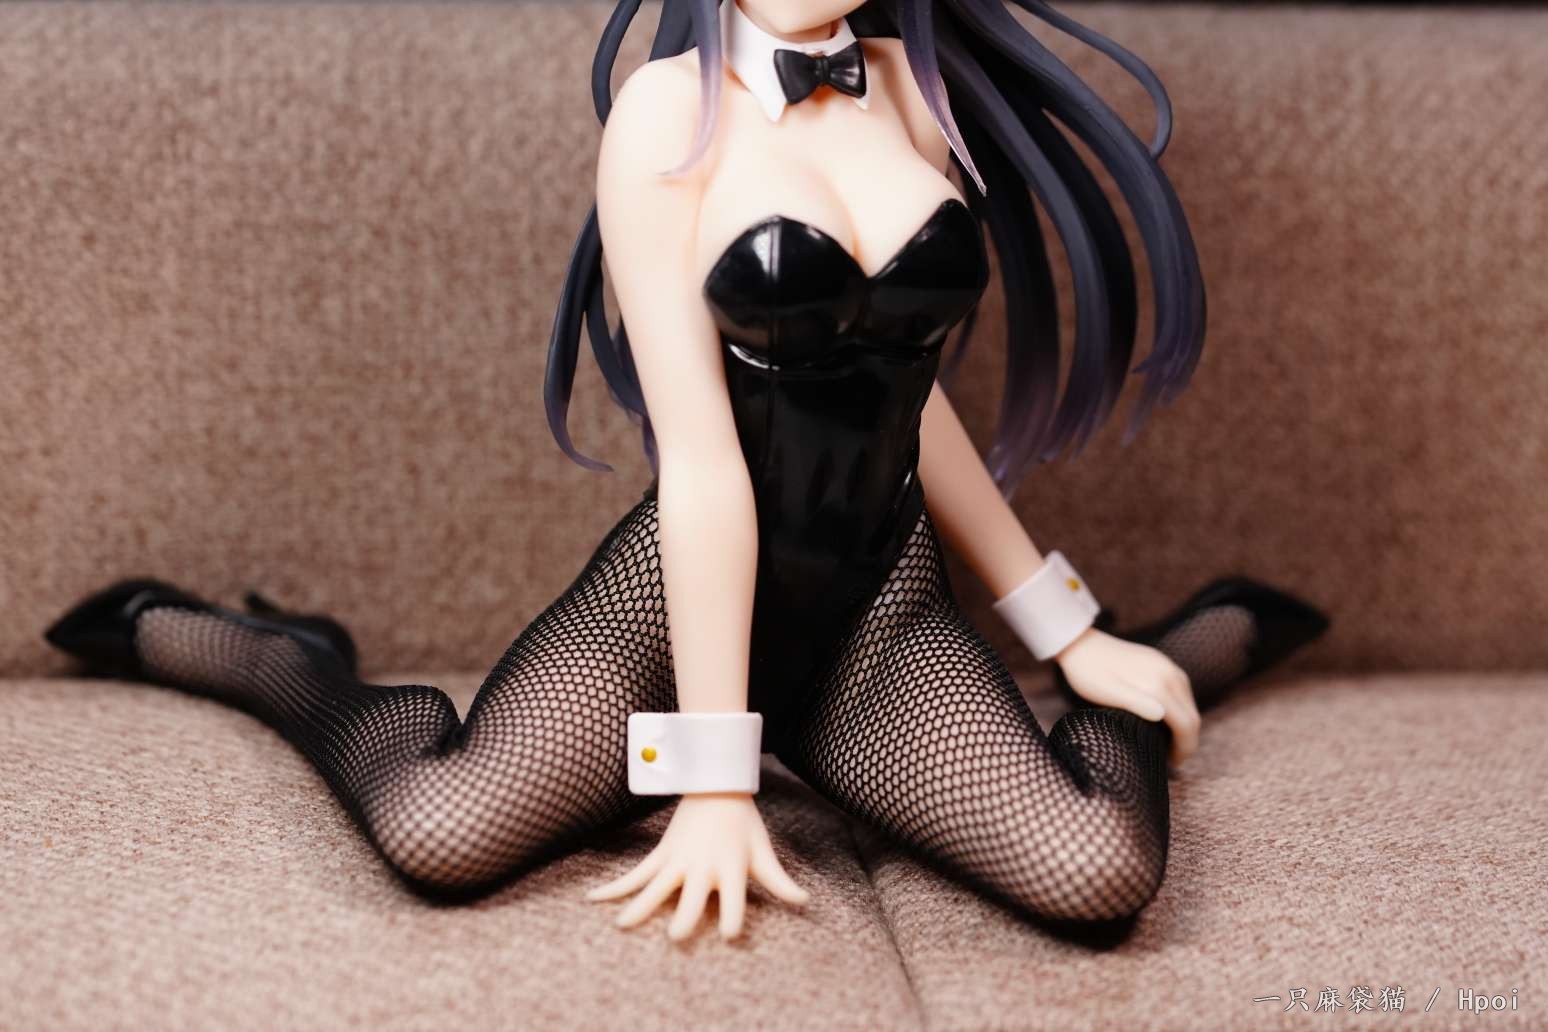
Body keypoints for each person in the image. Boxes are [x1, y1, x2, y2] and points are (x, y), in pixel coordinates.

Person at [45, 0, 1329, 942]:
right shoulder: (666, 116)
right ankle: (280, 660)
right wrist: (715, 776)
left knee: (1101, 870)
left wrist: (1069, 629)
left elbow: (913, 397)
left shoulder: (908, 93)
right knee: (438, 828)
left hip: (874, 616)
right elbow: (704, 463)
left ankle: (1172, 656)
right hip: (669, 616)